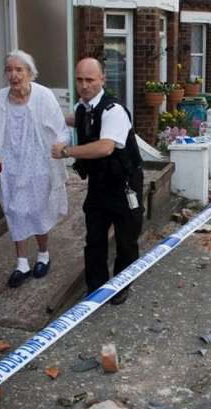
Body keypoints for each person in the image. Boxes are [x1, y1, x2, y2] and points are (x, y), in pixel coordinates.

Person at [51, 58, 144, 306]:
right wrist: (48, 116)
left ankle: (121, 285)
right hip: (99, 184)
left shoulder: (114, 110)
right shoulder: (83, 108)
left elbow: (105, 147)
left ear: (102, 80)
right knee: (94, 239)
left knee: (126, 240)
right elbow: (76, 119)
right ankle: (96, 288)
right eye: (80, 79)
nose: (84, 85)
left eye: (90, 79)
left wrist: (67, 151)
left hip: (124, 184)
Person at [0, 51, 70, 288]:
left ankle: (43, 254)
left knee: (38, 209)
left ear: (30, 73)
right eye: (9, 70)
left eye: (19, 70)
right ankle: (21, 263)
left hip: (39, 161)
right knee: (15, 210)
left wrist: (60, 145)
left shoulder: (43, 96)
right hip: (10, 165)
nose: (14, 75)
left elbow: (60, 129)